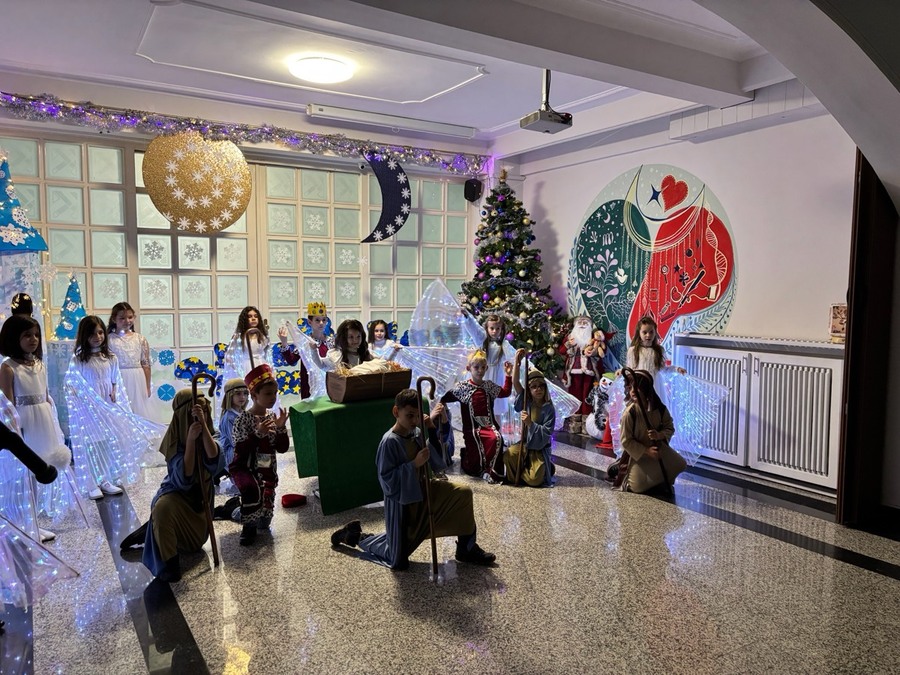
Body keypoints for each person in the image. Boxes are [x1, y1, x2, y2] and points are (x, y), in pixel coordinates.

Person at [330, 389, 495, 569]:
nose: (415, 420)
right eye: (409, 415)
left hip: (423, 490)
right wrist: (413, 465)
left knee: (462, 493)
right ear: (396, 412)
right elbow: (387, 481)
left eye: (417, 415)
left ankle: (466, 547)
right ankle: (355, 536)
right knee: (397, 559)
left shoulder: (416, 432)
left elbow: (439, 462)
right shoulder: (389, 442)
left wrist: (430, 429)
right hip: (404, 503)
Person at [119, 389, 224, 583]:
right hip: (177, 498)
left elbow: (215, 462)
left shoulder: (212, 435)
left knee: (192, 544)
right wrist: (190, 441)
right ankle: (169, 561)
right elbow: (184, 478)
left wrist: (204, 430)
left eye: (204, 412)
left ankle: (153, 529)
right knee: (162, 508)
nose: (201, 417)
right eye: (195, 414)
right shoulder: (173, 441)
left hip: (200, 509)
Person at [0, 316, 78, 534]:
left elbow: (45, 395)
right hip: (24, 424)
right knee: (25, 473)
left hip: (43, 422)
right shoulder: (8, 368)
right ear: (13, 337)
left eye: (36, 335)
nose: (33, 339)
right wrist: (15, 430)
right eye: (27, 335)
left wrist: (53, 422)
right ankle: (28, 524)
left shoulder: (40, 364)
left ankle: (34, 522)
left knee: (40, 471)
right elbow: (7, 404)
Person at [66, 315, 157, 499]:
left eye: (100, 332)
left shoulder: (110, 357)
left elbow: (115, 379)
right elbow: (72, 384)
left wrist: (114, 390)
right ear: (84, 335)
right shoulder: (78, 360)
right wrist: (86, 401)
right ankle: (92, 483)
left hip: (107, 406)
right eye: (92, 334)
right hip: (89, 410)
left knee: (106, 442)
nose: (98, 337)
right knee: (91, 444)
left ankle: (104, 479)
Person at [229, 364, 290, 545]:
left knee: (264, 524)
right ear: (254, 396)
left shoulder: (271, 417)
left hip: (266, 469)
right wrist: (258, 433)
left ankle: (235, 510)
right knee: (251, 494)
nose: (273, 398)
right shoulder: (243, 419)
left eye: (274, 393)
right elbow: (240, 451)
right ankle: (243, 523)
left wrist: (281, 429)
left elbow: (282, 448)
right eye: (268, 394)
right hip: (246, 468)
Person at [440, 349, 512, 482]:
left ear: (486, 368)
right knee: (474, 463)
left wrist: (508, 375)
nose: (480, 370)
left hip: (489, 427)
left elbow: (505, 392)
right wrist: (440, 407)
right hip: (471, 429)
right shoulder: (462, 388)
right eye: (476, 367)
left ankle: (491, 472)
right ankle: (474, 463)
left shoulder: (488, 386)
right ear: (469, 368)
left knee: (496, 438)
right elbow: (444, 398)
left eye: (483, 367)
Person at [618, 368, 686, 494]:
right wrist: (646, 451)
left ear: (645, 388)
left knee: (680, 464)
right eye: (630, 387)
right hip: (639, 454)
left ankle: (660, 479)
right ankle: (626, 473)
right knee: (637, 487)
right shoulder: (630, 413)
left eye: (637, 388)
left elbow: (669, 427)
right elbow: (626, 441)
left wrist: (659, 435)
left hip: (658, 448)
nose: (632, 391)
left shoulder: (659, 408)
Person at [503, 351, 556, 487]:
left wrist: (530, 424)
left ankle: (534, 471)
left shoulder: (549, 409)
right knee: (509, 454)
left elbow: (546, 432)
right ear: (529, 389)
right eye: (534, 387)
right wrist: (517, 361)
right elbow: (515, 382)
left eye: (541, 386)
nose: (538, 389)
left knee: (535, 480)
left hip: (539, 448)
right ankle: (519, 474)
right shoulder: (527, 401)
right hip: (525, 444)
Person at [107, 301, 154, 421]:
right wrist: (111, 386)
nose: (127, 321)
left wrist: (147, 386)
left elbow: (146, 364)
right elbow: (107, 365)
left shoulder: (140, 339)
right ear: (114, 319)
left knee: (139, 411)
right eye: (122, 318)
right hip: (118, 378)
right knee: (120, 412)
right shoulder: (109, 340)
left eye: (130, 317)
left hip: (138, 379)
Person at [558, 314, 605, 433]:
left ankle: (586, 425)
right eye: (580, 323)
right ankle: (574, 424)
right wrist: (569, 343)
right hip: (573, 371)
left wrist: (594, 352)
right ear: (575, 325)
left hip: (589, 372)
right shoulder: (570, 337)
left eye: (585, 323)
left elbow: (601, 352)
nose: (583, 325)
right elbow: (561, 351)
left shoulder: (593, 338)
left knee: (587, 397)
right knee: (575, 396)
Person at [295, 302, 334, 399]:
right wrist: (284, 343)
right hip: (310, 384)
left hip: (329, 382)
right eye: (317, 320)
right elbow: (292, 359)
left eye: (324, 320)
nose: (321, 323)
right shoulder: (305, 342)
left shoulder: (332, 342)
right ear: (309, 322)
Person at [216, 377, 248, 491]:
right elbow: (235, 441)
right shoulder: (228, 417)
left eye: (245, 393)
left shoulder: (243, 413)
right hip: (233, 452)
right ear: (230, 396)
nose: (242, 397)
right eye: (238, 394)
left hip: (244, 447)